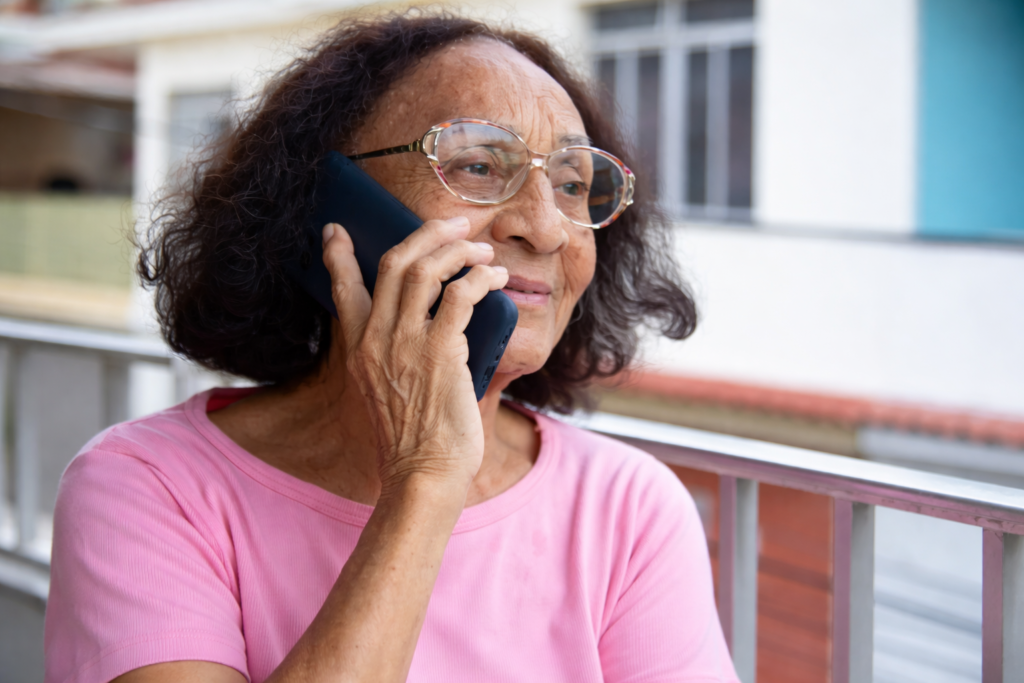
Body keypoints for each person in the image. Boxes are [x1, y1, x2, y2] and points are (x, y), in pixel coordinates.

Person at [44, 12, 739, 683]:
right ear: (327, 206)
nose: (546, 229)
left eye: (572, 185)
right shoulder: (146, 484)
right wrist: (425, 481)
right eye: (475, 165)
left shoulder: (629, 506)